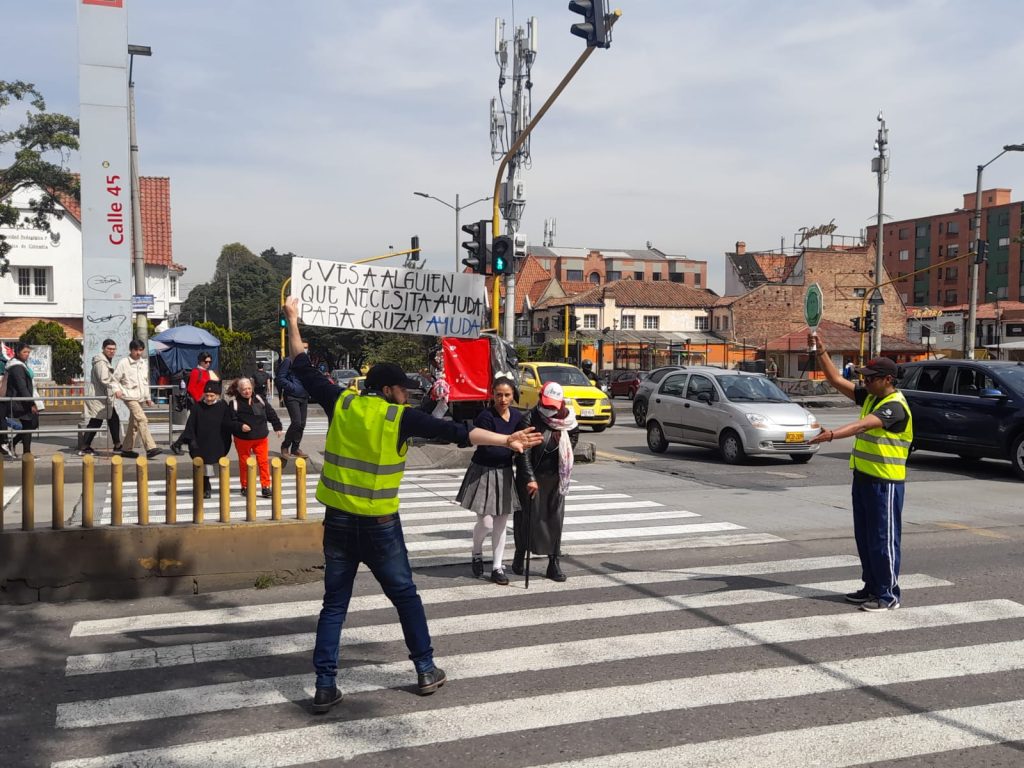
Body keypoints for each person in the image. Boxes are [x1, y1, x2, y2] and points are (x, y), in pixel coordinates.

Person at [280, 297, 541, 714]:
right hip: (380, 526)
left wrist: (293, 319)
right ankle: (424, 668)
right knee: (405, 597)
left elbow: (302, 363)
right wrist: (507, 440)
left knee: (334, 605)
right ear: (388, 389)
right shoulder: (399, 417)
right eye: (403, 388)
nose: (407, 394)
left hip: (340, 525)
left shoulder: (341, 403)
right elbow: (460, 433)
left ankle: (325, 686)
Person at [808, 334, 912, 612]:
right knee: (865, 538)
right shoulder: (871, 397)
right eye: (864, 378)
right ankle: (871, 587)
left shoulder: (895, 407)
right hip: (864, 479)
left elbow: (862, 426)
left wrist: (830, 435)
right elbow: (835, 380)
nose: (865, 382)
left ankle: (888, 594)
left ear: (887, 379)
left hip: (885, 483)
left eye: (870, 378)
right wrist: (822, 352)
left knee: (883, 539)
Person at [456, 377, 525, 585]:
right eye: (499, 395)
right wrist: (510, 445)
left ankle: (497, 566)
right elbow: (486, 446)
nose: (503, 399)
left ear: (513, 395)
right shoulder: (485, 416)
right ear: (492, 395)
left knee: (501, 522)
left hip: (504, 472)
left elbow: (523, 443)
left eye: (507, 395)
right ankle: (476, 552)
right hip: (483, 471)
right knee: (485, 523)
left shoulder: (518, 417)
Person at [513, 381, 580, 583]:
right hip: (532, 477)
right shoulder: (529, 419)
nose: (549, 408)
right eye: (546, 403)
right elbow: (522, 453)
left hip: (556, 476)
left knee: (555, 519)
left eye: (553, 404)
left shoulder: (568, 419)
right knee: (527, 519)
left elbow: (574, 435)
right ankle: (519, 555)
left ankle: (554, 562)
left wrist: (564, 454)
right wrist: (530, 478)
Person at [227, 377, 283, 498]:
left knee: (263, 462)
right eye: (244, 390)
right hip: (243, 439)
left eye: (249, 388)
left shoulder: (259, 399)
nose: (247, 391)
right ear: (238, 390)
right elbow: (230, 422)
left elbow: (270, 412)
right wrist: (240, 426)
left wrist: (277, 426)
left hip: (261, 437)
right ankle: (245, 486)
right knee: (244, 463)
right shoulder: (234, 404)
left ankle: (265, 486)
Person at [180, 379, 232, 499]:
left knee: (214, 465)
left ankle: (217, 487)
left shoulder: (223, 406)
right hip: (201, 441)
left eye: (212, 396)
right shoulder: (198, 407)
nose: (209, 398)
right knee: (203, 464)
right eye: (207, 395)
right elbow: (190, 425)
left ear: (217, 395)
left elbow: (229, 423)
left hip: (217, 440)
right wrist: (185, 440)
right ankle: (205, 487)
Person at [113, 339, 162, 459]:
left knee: (134, 424)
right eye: (136, 350)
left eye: (141, 350)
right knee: (142, 419)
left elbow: (145, 382)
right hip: (128, 395)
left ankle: (126, 449)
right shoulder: (124, 362)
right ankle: (150, 448)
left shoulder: (143, 363)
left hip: (140, 396)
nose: (138, 352)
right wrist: (117, 390)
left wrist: (148, 397)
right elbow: (114, 379)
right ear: (131, 350)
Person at [77, 338, 122, 456]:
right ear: (103, 349)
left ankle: (117, 445)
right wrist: (116, 387)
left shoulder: (105, 360)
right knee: (96, 421)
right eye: (109, 349)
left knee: (112, 419)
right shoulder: (101, 362)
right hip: (99, 397)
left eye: (113, 349)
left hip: (103, 397)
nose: (111, 351)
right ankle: (85, 446)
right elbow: (104, 379)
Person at [171, 352, 218, 455]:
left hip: (204, 401)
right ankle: (179, 444)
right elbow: (191, 388)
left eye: (210, 361)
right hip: (196, 402)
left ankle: (186, 444)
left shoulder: (206, 372)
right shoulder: (196, 372)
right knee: (192, 425)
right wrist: (199, 399)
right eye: (206, 362)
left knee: (194, 425)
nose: (208, 364)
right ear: (200, 361)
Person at [2, 343, 40, 456]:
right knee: (29, 424)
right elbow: (21, 386)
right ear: (17, 353)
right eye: (24, 352)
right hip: (21, 401)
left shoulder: (21, 364)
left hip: (23, 399)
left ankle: (12, 444)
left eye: (28, 352)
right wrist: (31, 403)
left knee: (31, 424)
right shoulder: (17, 367)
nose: (27, 355)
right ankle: (27, 453)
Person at [276, 343, 310, 460]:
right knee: (296, 422)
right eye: (303, 347)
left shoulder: (306, 361)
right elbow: (280, 378)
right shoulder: (288, 361)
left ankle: (295, 448)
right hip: (292, 396)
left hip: (304, 396)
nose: (305, 350)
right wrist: (292, 387)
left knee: (302, 424)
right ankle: (285, 446)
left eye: (306, 348)